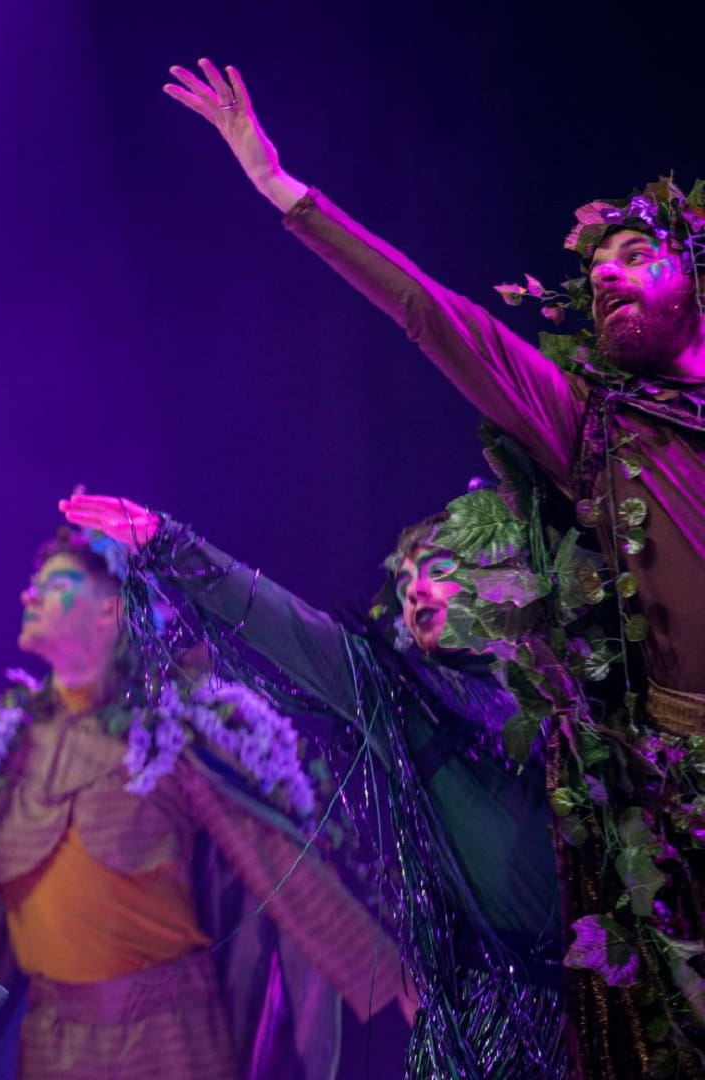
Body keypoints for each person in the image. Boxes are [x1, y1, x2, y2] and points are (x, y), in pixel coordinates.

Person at [164, 59, 704, 1075]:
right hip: (678, 806)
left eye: (636, 254)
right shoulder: (594, 429)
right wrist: (289, 195)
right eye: (597, 278)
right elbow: (430, 313)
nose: (612, 278)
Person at [65, 491, 567, 1077]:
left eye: (437, 572)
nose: (415, 594)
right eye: (405, 587)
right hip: (500, 1026)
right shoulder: (401, 701)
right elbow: (296, 633)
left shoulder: (579, 688)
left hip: (618, 1004)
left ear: (500, 578)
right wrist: (170, 543)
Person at [0, 524, 404, 1079]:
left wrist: (393, 983)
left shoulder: (172, 734)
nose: (28, 595)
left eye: (56, 583)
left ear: (109, 610)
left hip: (166, 1039)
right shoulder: (12, 738)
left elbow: (279, 864)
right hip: (51, 1042)